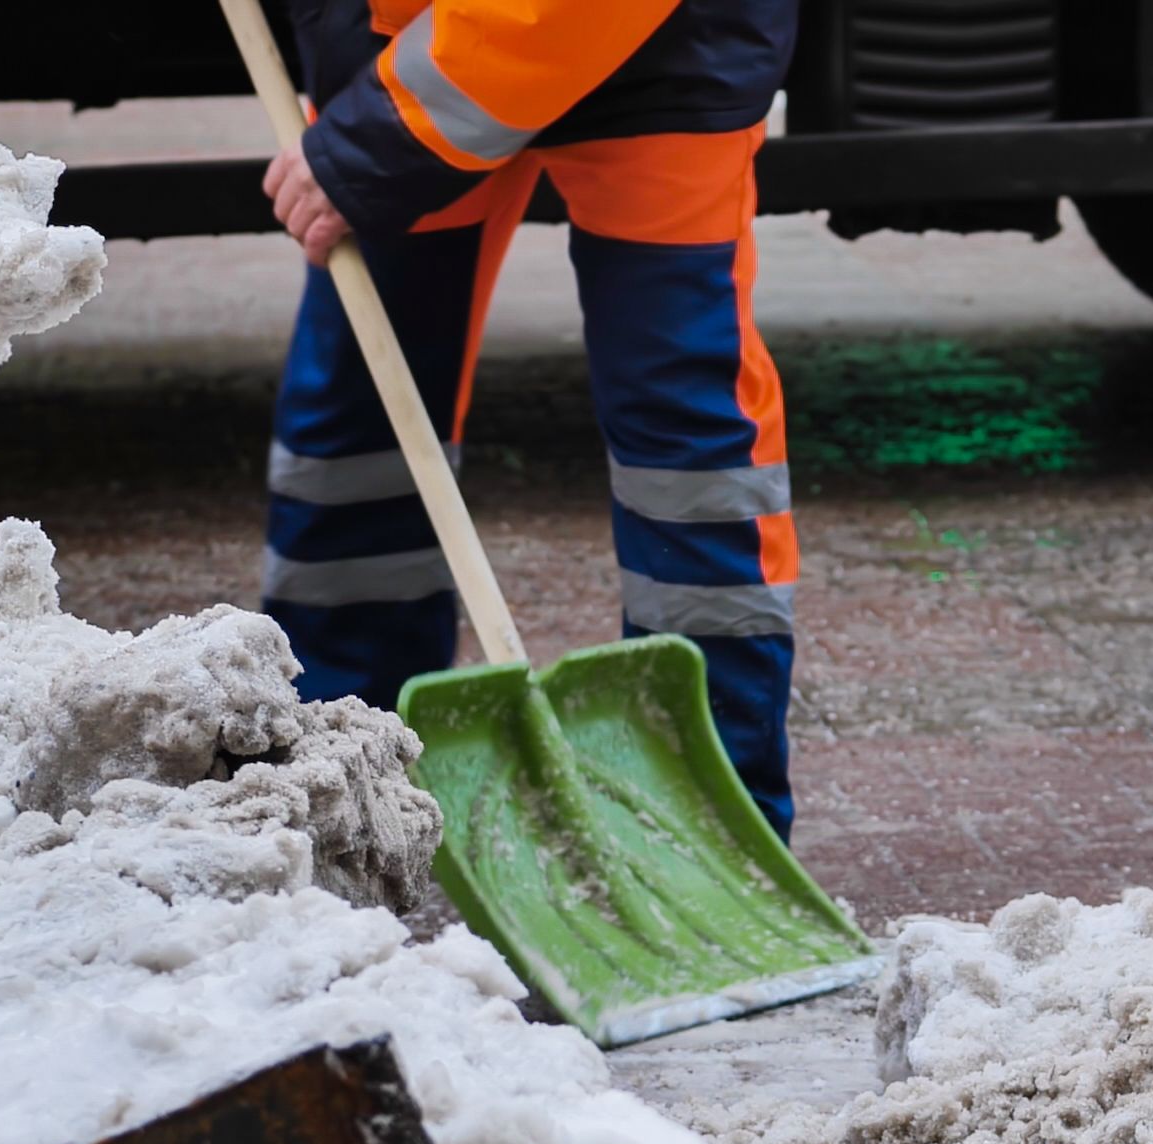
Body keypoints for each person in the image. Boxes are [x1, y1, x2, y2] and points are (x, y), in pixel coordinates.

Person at [258, 0, 802, 837]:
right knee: (369, 414)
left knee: (690, 457)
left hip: (655, 47)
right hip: (401, 39)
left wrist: (374, 140)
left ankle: (709, 814)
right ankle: (339, 764)